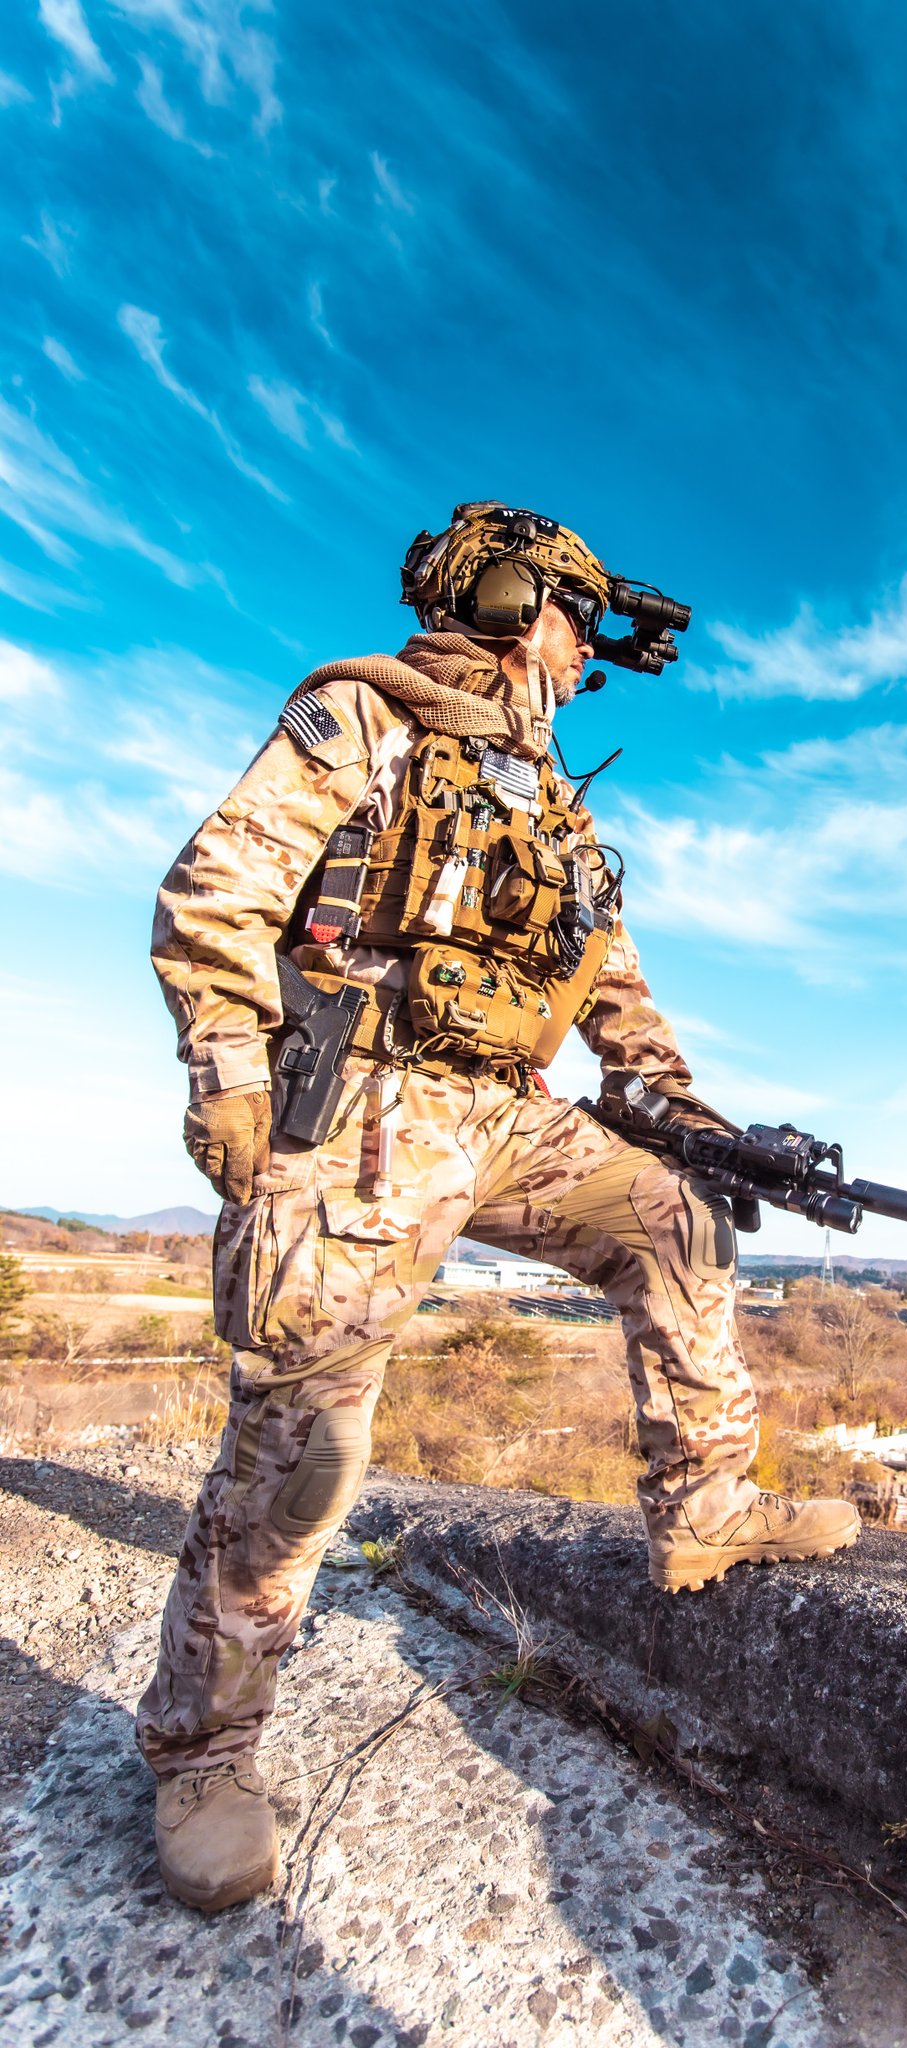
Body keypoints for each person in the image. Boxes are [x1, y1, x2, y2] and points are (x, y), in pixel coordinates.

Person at [138, 501, 859, 1912]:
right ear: (515, 602)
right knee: (304, 1443)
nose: (587, 655)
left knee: (675, 1222)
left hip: (504, 1113)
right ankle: (202, 1749)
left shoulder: (554, 806)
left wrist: (689, 1119)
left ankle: (705, 1504)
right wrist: (227, 1070)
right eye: (577, 621)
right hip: (361, 1107)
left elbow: (616, 993)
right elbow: (215, 894)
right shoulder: (368, 722)